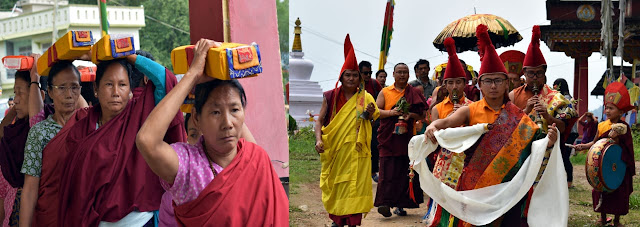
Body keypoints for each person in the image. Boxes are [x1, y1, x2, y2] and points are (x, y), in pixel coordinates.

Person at [136, 39, 288, 226]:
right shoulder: (188, 166)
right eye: (215, 112)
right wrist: (192, 75)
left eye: (235, 110)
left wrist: (222, 70)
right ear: (196, 119)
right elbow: (146, 141)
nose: (227, 123)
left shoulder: (255, 158)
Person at [33, 49, 189, 226]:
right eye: (108, 84)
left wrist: (127, 56)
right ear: (95, 89)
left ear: (130, 90)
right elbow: (76, 187)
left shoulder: (142, 116)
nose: (116, 92)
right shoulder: (82, 127)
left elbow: (165, 80)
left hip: (140, 221)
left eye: (122, 85)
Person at [423, 24, 560, 226]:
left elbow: (533, 145)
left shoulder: (517, 115)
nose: (493, 86)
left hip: (509, 186)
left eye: (498, 80)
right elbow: (445, 122)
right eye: (488, 81)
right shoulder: (470, 110)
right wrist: (432, 127)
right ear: (480, 84)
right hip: (476, 183)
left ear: (507, 83)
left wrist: (550, 140)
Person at [313, 34, 379, 227]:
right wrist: (318, 139)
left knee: (355, 186)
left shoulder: (366, 97)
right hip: (336, 149)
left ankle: (351, 221)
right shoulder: (330, 96)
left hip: (358, 152)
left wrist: (369, 114)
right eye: (347, 75)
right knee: (337, 184)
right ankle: (337, 219)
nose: (351, 78)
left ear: (360, 78)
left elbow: (372, 120)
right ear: (341, 77)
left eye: (355, 75)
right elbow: (320, 121)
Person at [19, 59, 89, 227]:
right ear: (49, 91)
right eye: (62, 88)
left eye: (74, 87)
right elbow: (30, 190)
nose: (69, 95)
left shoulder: (89, 126)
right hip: (51, 218)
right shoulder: (39, 133)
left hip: (84, 217)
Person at [573, 82, 635, 227]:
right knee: (600, 189)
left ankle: (617, 220)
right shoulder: (602, 125)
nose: (607, 111)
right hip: (603, 164)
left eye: (611, 108)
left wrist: (618, 139)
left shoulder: (624, 128)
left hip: (618, 163)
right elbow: (596, 142)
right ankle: (602, 217)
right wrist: (583, 145)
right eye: (606, 108)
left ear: (620, 112)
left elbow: (627, 147)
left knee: (619, 190)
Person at [375, 62, 426, 217]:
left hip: (406, 138)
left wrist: (410, 115)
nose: (402, 75)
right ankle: (385, 203)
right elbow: (377, 112)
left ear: (409, 75)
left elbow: (422, 115)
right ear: (394, 74)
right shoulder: (385, 92)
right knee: (386, 171)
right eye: (399, 72)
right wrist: (392, 113)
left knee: (405, 171)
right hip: (388, 138)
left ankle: (400, 205)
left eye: (405, 72)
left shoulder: (413, 92)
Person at [509, 26, 577, 135]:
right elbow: (506, 126)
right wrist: (526, 110)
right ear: (524, 73)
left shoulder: (556, 97)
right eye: (531, 73)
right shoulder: (513, 95)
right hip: (520, 149)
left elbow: (563, 128)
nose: (535, 77)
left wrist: (547, 116)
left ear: (544, 73)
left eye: (539, 73)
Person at [552, 78, 579, 187]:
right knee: (562, 155)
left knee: (564, 156)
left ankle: (569, 181)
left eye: (556, 86)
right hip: (566, 130)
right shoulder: (565, 98)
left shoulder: (565, 99)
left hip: (569, 130)